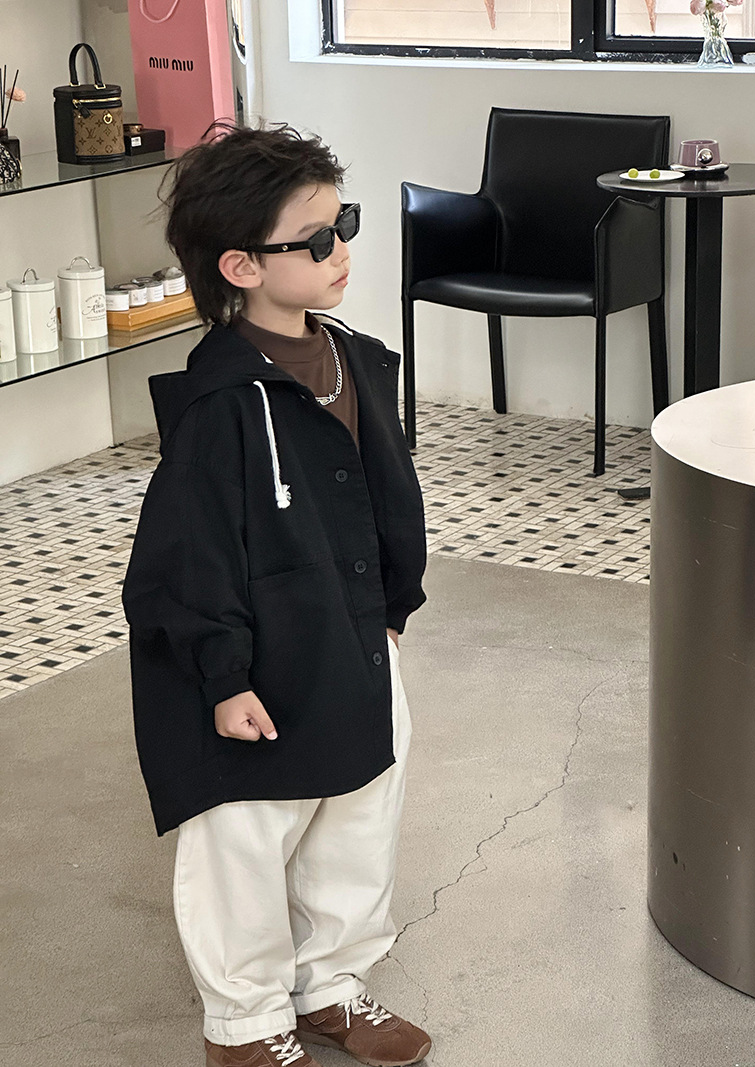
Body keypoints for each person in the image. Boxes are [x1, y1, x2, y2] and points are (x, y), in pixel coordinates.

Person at [121, 121, 429, 1067]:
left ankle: (329, 983)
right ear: (242, 267)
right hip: (253, 660)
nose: (342, 252)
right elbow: (185, 561)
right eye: (317, 239)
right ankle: (247, 1021)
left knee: (358, 810)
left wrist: (392, 607)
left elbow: (389, 494)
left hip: (351, 636)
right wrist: (223, 677)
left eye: (346, 225)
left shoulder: (359, 359)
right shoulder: (219, 405)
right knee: (247, 836)